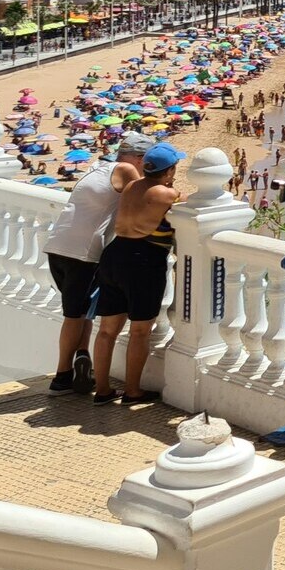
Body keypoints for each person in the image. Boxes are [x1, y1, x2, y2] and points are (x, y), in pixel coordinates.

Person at [42, 133, 151, 394]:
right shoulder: (125, 169)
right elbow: (144, 196)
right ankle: (62, 376)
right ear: (138, 158)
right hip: (82, 252)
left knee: (82, 311)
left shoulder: (98, 166)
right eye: (147, 161)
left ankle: (82, 355)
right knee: (73, 315)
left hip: (58, 246)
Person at [90, 143, 184, 404]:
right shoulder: (167, 194)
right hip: (143, 260)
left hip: (114, 254)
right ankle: (132, 391)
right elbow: (187, 204)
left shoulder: (132, 187)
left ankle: (102, 390)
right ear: (169, 171)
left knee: (107, 330)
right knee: (140, 331)